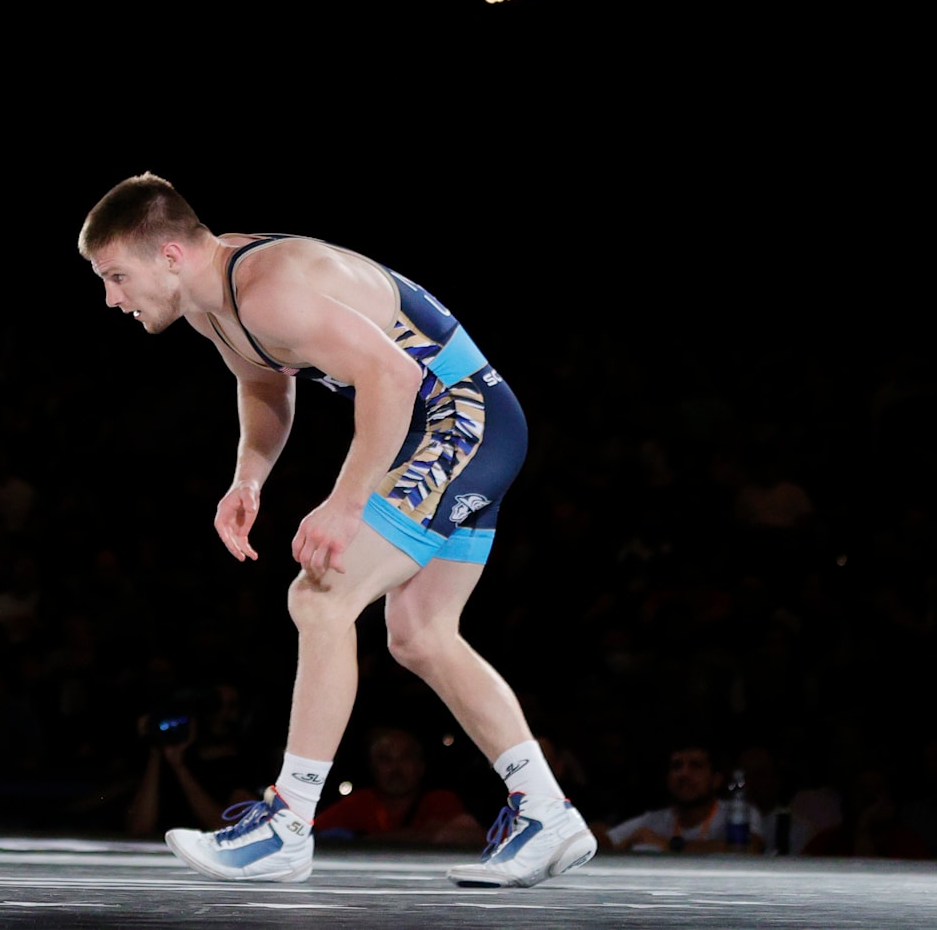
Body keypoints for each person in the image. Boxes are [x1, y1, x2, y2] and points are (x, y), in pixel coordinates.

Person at [79, 174, 592, 888]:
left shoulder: (268, 287)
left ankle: (286, 825)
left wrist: (348, 503)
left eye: (115, 276)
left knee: (319, 598)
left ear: (168, 255)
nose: (111, 298)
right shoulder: (212, 306)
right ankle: (548, 812)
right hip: (457, 429)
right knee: (419, 632)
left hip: (460, 422)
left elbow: (393, 377)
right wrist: (249, 477)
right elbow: (265, 386)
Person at [312, 727, 479, 845]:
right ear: (372, 768)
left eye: (405, 758)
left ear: (421, 766)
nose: (396, 769)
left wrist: (364, 839)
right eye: (385, 759)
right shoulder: (359, 802)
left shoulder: (440, 800)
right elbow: (312, 832)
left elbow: (465, 834)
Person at [605, 745, 759, 853]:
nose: (684, 774)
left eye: (695, 766)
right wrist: (623, 843)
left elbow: (752, 848)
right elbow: (603, 839)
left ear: (716, 780)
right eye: (676, 766)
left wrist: (669, 845)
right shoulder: (655, 820)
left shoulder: (739, 812)